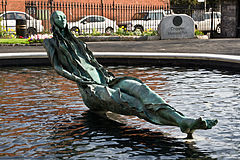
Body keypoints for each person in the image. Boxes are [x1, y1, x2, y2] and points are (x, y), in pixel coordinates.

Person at [44, 11, 217, 138]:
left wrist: (105, 75)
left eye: (64, 17)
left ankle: (183, 120)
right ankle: (180, 123)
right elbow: (58, 67)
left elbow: (93, 63)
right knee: (134, 104)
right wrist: (79, 79)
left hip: (106, 80)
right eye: (58, 17)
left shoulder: (77, 42)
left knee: (142, 89)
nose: (62, 19)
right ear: (53, 20)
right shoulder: (50, 42)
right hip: (91, 90)